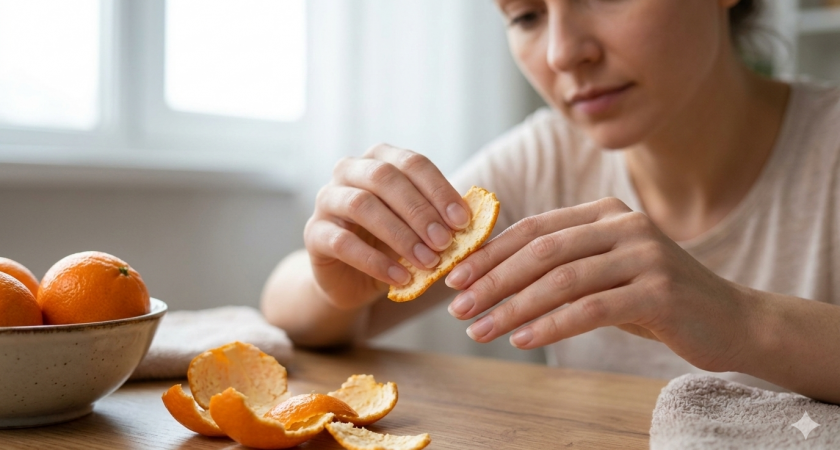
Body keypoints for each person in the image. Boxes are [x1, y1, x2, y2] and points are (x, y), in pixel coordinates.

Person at [261, 0, 840, 404]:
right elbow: (291, 313)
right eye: (526, 15)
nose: (563, 53)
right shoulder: (541, 159)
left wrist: (741, 320)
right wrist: (336, 279)